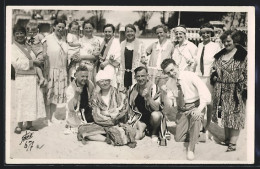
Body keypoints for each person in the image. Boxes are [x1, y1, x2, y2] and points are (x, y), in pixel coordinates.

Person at [160, 58, 211, 160]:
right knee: (178, 138)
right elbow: (169, 106)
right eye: (168, 72)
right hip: (182, 109)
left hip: (195, 105)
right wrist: (164, 94)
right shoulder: (170, 83)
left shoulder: (190, 75)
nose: (172, 73)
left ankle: (191, 149)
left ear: (177, 66)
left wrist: (199, 109)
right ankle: (197, 134)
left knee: (196, 118)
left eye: (172, 69)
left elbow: (206, 93)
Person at [211, 30, 247, 152]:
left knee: (236, 116)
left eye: (228, 41)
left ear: (235, 41)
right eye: (224, 41)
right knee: (225, 115)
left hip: (236, 90)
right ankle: (227, 139)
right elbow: (214, 69)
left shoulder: (243, 55)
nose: (226, 44)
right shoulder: (220, 55)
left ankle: (233, 143)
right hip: (220, 89)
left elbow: (248, 73)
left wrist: (245, 89)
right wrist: (214, 76)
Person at [77, 70, 129, 143]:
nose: (104, 83)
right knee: (82, 129)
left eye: (106, 80)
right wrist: (110, 115)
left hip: (117, 123)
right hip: (101, 124)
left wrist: (107, 113)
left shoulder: (118, 93)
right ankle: (106, 139)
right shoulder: (95, 97)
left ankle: (108, 134)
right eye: (101, 81)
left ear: (110, 80)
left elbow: (123, 109)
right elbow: (96, 115)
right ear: (98, 83)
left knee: (125, 132)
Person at [11, 24, 46, 134]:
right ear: (14, 35)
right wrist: (33, 62)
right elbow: (17, 64)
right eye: (17, 34)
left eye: (22, 33)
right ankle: (19, 125)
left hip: (32, 78)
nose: (20, 35)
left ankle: (30, 124)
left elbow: (36, 58)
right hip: (22, 78)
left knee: (31, 101)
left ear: (25, 35)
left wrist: (38, 61)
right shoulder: (13, 48)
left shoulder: (28, 46)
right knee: (21, 101)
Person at [194, 23, 221, 140]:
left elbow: (218, 62)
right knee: (200, 103)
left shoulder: (215, 46)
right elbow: (195, 61)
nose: (205, 35)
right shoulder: (199, 45)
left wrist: (215, 75)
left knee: (209, 103)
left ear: (211, 34)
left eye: (208, 32)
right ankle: (199, 127)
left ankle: (207, 127)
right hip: (199, 77)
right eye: (203, 33)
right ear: (200, 34)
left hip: (209, 78)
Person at [43, 19, 68, 125]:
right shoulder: (47, 39)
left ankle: (52, 117)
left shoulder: (64, 40)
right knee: (48, 94)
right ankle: (46, 118)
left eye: (63, 27)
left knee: (55, 95)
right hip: (50, 70)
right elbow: (43, 54)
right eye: (59, 27)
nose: (61, 29)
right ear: (54, 27)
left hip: (61, 70)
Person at [128, 66, 162, 141]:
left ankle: (154, 132)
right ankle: (143, 131)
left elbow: (156, 108)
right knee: (135, 136)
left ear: (147, 76)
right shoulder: (133, 87)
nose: (140, 78)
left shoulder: (154, 87)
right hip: (138, 116)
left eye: (143, 76)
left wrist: (148, 97)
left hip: (151, 117)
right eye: (138, 76)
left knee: (156, 115)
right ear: (135, 77)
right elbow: (129, 105)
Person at [64, 65, 95, 134]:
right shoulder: (70, 88)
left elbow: (93, 96)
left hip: (86, 111)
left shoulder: (89, 84)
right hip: (76, 115)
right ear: (76, 76)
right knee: (85, 131)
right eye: (82, 76)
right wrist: (76, 95)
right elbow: (71, 108)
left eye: (86, 76)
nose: (85, 78)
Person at [119, 24, 146, 91]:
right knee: (124, 94)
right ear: (125, 33)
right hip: (125, 73)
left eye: (131, 31)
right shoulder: (122, 44)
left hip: (136, 73)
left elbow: (143, 56)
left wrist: (143, 60)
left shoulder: (140, 43)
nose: (129, 33)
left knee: (136, 93)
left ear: (135, 32)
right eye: (127, 31)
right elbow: (119, 58)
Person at [93, 24, 120, 88]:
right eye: (106, 32)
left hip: (110, 68)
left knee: (108, 87)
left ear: (113, 32)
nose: (107, 33)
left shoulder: (116, 42)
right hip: (100, 67)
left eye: (109, 32)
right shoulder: (102, 41)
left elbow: (118, 58)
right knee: (99, 87)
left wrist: (107, 62)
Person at [25, 21, 47, 87]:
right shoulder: (28, 38)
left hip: (40, 53)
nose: (32, 33)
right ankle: (43, 79)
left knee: (37, 65)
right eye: (30, 32)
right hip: (35, 55)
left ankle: (42, 78)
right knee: (37, 66)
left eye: (34, 31)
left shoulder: (39, 36)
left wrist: (44, 52)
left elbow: (45, 44)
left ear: (37, 30)